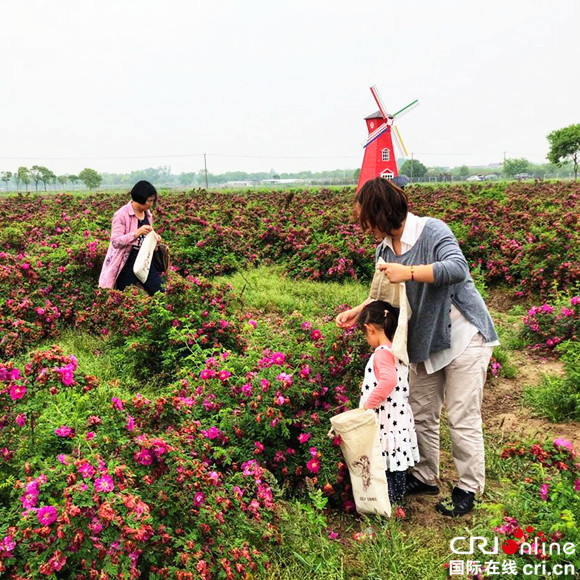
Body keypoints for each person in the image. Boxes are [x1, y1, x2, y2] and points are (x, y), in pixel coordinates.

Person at [336, 176, 498, 517]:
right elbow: (382, 292)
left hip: (464, 336)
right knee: (419, 411)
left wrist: (408, 272)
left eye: (368, 220)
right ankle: (425, 475)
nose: (366, 230)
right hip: (423, 341)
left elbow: (456, 268)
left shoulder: (432, 231)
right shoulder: (383, 248)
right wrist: (357, 311)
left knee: (461, 416)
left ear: (382, 213)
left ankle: (468, 488)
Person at [357, 300, 419, 508]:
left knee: (384, 464)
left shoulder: (382, 352)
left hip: (386, 418)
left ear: (370, 329)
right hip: (397, 417)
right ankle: (396, 504)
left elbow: (388, 380)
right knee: (395, 462)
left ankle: (386, 508)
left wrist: (367, 405)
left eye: (365, 335)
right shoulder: (396, 349)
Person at [98, 180, 164, 295]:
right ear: (140, 198)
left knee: (158, 291)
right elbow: (115, 242)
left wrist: (154, 237)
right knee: (127, 296)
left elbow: (147, 234)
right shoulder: (121, 215)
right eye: (149, 201)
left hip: (144, 259)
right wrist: (136, 233)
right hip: (126, 261)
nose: (151, 204)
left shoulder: (147, 214)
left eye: (153, 201)